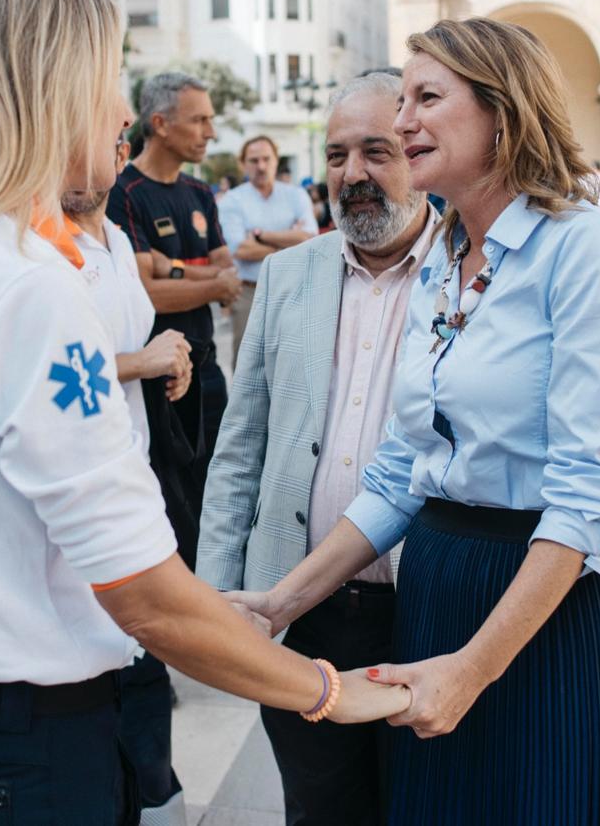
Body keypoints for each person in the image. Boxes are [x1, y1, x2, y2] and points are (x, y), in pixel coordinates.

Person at [0, 0, 406, 826]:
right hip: (22, 748)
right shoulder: (26, 290)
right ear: (50, 90)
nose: (119, 112)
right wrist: (328, 691)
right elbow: (141, 590)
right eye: (108, 77)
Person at [230, 18, 600, 825]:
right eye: (403, 101)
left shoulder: (590, 252)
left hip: (544, 613)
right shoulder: (447, 255)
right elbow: (405, 468)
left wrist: (472, 669)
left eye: (427, 98)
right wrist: (282, 602)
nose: (401, 122)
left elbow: (591, 495)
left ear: (503, 111)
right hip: (440, 595)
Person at [199, 69, 433, 825]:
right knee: (320, 808)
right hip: (303, 608)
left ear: (418, 152)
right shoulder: (288, 275)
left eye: (376, 151)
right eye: (337, 156)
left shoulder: (472, 270)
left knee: (425, 803)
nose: (352, 175)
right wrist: (215, 595)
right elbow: (242, 447)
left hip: (428, 608)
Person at [59, 140, 195, 826]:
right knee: (123, 659)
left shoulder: (113, 236)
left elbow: (137, 337)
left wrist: (171, 355)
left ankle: (157, 798)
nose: (115, 151)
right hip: (81, 493)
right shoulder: (40, 251)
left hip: (138, 473)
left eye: (117, 136)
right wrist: (141, 360)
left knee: (144, 671)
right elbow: (53, 370)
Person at [107, 71, 241, 568]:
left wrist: (174, 267)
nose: (210, 131)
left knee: (217, 494)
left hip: (206, 369)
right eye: (200, 119)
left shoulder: (200, 194)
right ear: (159, 123)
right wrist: (201, 282)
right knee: (172, 509)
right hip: (158, 383)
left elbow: (230, 270)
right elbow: (149, 295)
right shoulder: (123, 192)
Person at [217, 136, 318, 361]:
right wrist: (291, 238)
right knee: (248, 363)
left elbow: (310, 239)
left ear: (276, 160)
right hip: (249, 292)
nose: (261, 166)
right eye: (253, 160)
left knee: (295, 361)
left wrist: (260, 236)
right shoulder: (232, 201)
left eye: (266, 159)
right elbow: (240, 249)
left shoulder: (296, 195)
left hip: (294, 290)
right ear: (243, 164)